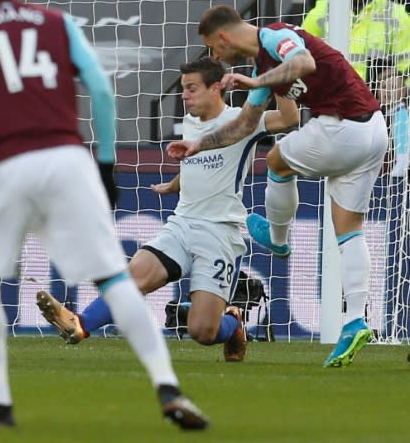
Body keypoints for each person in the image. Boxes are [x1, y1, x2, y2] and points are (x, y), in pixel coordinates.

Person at [0, 0, 207, 430]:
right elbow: (101, 88)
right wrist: (105, 163)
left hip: (8, 163)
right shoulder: (57, 22)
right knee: (113, 278)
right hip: (68, 159)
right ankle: (168, 387)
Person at [166, 4, 388, 368]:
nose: (216, 57)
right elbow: (244, 125)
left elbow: (303, 64)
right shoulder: (262, 68)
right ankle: (356, 321)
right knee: (349, 230)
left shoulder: (276, 36)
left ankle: (277, 238)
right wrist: (199, 144)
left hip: (345, 126)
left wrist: (257, 82)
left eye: (214, 48)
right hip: (373, 131)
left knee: (276, 160)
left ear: (223, 37)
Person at [36, 57, 299, 362]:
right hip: (182, 223)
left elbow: (289, 118)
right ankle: (80, 323)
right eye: (184, 88)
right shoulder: (191, 120)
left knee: (203, 331)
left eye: (191, 88)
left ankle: (233, 323)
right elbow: (201, 163)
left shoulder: (244, 120)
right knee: (134, 276)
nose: (184, 95)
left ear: (216, 88)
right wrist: (176, 183)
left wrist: (278, 76)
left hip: (219, 233)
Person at [301, 0, 410, 93]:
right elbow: (301, 47)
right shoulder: (322, 11)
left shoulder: (394, 12)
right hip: (330, 91)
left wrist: (402, 80)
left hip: (375, 94)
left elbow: (406, 58)